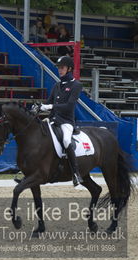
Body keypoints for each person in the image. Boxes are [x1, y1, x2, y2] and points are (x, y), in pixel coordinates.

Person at [40, 56, 83, 186]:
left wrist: (51, 106)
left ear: (69, 69)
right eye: (59, 68)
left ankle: (76, 174)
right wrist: (39, 107)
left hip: (67, 121)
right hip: (53, 119)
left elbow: (69, 106)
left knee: (65, 140)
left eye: (62, 68)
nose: (60, 70)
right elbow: (48, 102)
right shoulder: (57, 85)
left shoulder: (76, 85)